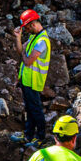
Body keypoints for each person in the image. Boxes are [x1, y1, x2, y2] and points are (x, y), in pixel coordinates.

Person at [11, 9, 51, 150]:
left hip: (34, 81)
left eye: (27, 27)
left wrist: (23, 54)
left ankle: (40, 137)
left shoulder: (41, 41)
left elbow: (27, 61)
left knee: (36, 110)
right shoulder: (34, 38)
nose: (26, 30)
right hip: (27, 80)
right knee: (30, 109)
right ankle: (28, 134)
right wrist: (18, 37)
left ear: (33, 24)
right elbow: (21, 51)